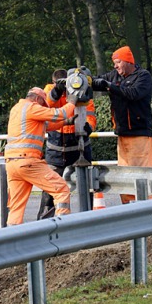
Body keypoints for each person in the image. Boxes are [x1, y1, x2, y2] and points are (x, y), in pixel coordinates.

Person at [4, 87, 78, 225]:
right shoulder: (32, 107)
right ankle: (63, 229)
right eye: (42, 105)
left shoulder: (17, 109)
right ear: (37, 99)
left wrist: (67, 122)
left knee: (16, 206)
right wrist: (72, 103)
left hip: (12, 163)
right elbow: (59, 114)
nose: (42, 108)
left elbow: (47, 125)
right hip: (27, 161)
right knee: (61, 189)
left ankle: (11, 240)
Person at [91, 45, 152, 203]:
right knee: (124, 176)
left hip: (140, 134)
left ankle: (149, 210)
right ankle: (127, 208)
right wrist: (85, 79)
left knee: (141, 176)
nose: (115, 66)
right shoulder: (114, 75)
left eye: (118, 62)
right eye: (114, 63)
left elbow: (133, 94)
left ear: (127, 61)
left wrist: (110, 86)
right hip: (123, 134)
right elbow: (99, 81)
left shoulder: (143, 76)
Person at [37, 69, 97, 219]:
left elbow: (90, 114)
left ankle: (87, 217)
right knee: (50, 187)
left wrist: (88, 127)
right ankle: (44, 217)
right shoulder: (50, 90)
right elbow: (46, 104)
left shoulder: (82, 91)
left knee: (87, 185)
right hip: (57, 146)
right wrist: (57, 90)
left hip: (79, 145)